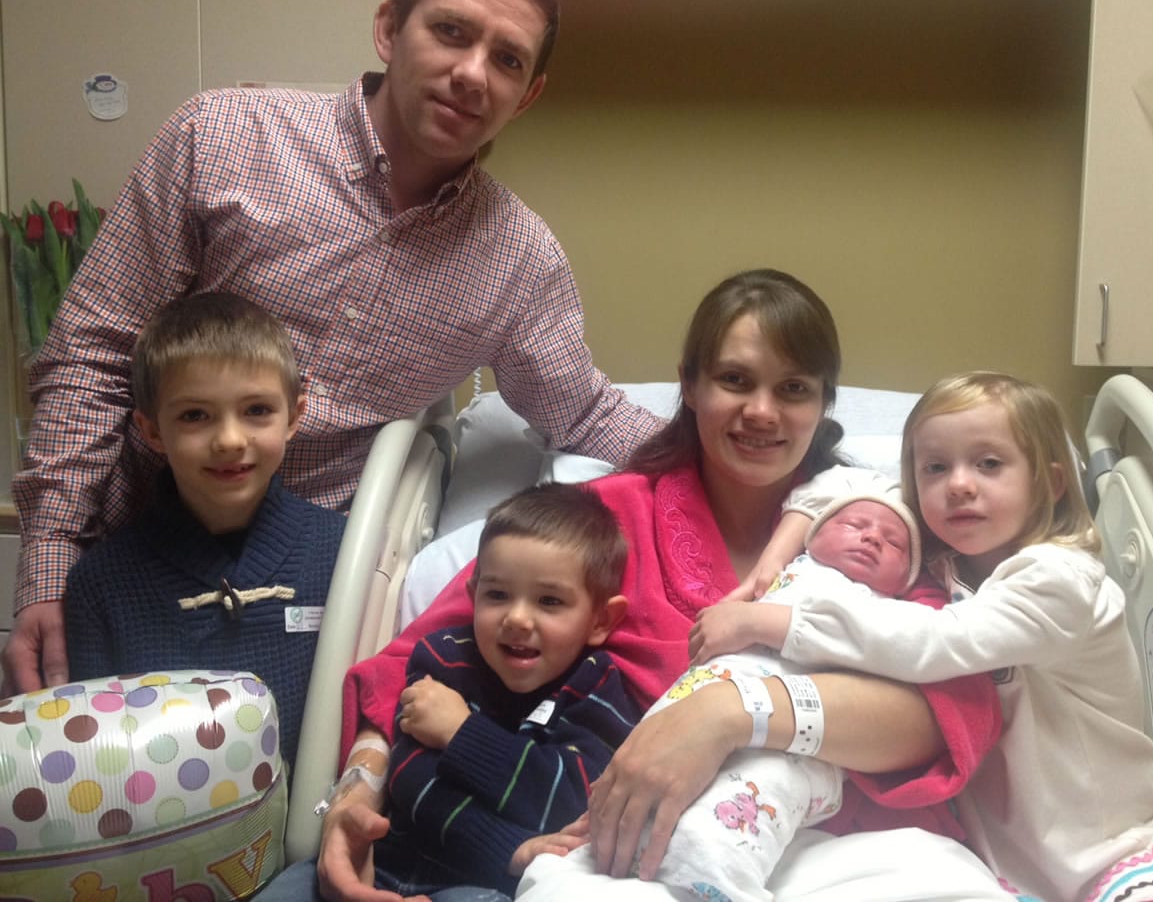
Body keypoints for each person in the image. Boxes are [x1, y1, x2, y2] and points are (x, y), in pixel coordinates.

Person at [4, 0, 663, 697]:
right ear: (389, 27)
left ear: (529, 94)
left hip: (311, 584)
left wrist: (766, 473)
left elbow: (583, 412)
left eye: (507, 59)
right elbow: (92, 349)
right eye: (450, 31)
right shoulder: (219, 139)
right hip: (125, 539)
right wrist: (49, 563)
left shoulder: (517, 261)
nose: (471, 73)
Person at [318, 270, 1007, 902]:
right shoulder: (604, 521)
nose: (762, 412)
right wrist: (359, 790)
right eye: (735, 380)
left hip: (854, 845)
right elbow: (414, 662)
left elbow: (946, 713)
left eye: (793, 388)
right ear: (689, 385)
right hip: (651, 859)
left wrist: (725, 713)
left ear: (825, 402)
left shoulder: (882, 534)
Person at [710, 371, 1153, 902]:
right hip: (1004, 869)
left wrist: (777, 620)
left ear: (1051, 482)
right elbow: (841, 487)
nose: (959, 484)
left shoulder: (1060, 579)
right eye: (936, 468)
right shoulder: (948, 567)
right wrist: (773, 560)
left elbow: (938, 643)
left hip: (1116, 858)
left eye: (989, 464)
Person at [259, 482, 639, 901]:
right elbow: (410, 779)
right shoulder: (443, 659)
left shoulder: (595, 686)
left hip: (486, 884)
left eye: (549, 601)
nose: (516, 618)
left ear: (602, 620)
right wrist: (509, 840)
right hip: (388, 859)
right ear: (473, 596)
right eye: (497, 595)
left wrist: (464, 733)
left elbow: (572, 798)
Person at [643, 474, 976, 902]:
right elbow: (827, 489)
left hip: (803, 740)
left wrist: (761, 625)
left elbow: (909, 648)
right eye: (853, 525)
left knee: (738, 815)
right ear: (812, 536)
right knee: (652, 765)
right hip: (712, 690)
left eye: (894, 543)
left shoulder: (897, 612)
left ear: (907, 578)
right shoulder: (785, 575)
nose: (872, 537)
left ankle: (719, 884)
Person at [62, 292, 345, 767]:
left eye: (257, 410)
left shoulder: (344, 556)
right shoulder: (100, 586)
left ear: (295, 416)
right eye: (195, 415)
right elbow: (97, 762)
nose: (230, 440)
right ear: (152, 431)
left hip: (316, 834)